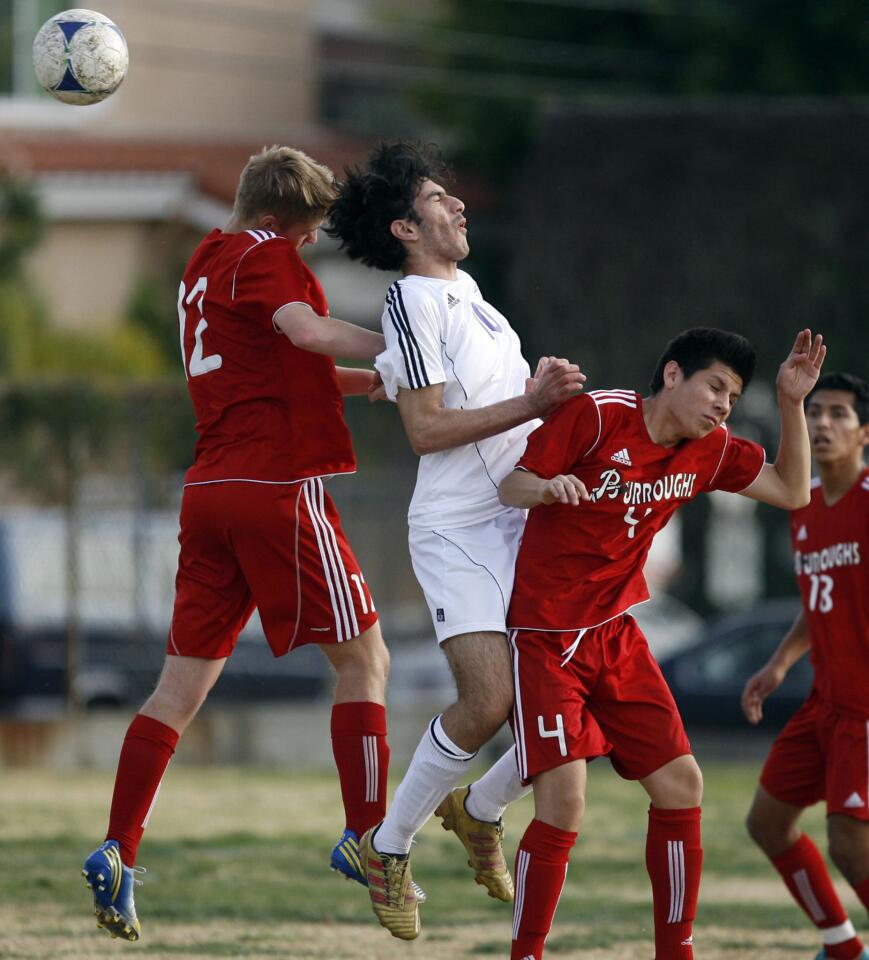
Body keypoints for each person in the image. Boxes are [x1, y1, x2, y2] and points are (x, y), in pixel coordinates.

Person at [81, 146, 393, 941]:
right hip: (275, 489)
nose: (310, 245)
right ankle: (368, 838)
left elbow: (280, 365)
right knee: (364, 660)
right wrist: (409, 343)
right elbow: (308, 329)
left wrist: (384, 384)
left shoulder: (204, 261)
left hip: (210, 491)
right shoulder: (264, 253)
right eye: (307, 231)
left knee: (175, 693)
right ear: (270, 223)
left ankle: (118, 849)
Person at [498, 327, 826, 960]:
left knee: (682, 785)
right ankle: (527, 953)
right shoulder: (596, 416)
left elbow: (791, 490)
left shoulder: (711, 449)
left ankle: (676, 952)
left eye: (732, 396)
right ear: (673, 375)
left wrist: (790, 403)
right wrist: (547, 488)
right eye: (715, 387)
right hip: (544, 635)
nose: (723, 405)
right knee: (564, 804)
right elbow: (512, 485)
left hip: (617, 634)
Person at [328, 141, 585, 940]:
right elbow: (427, 429)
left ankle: (477, 809)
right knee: (489, 702)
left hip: (523, 515)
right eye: (440, 199)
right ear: (405, 226)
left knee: (578, 703)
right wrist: (532, 402)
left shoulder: (470, 291)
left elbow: (502, 415)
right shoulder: (411, 301)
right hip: (460, 530)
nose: (459, 206)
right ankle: (388, 845)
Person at [741, 371, 869, 960]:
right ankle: (842, 946)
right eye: (814, 411)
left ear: (864, 432)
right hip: (825, 703)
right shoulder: (804, 502)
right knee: (767, 823)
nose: (821, 423)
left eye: (839, 414)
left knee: (849, 845)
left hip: (864, 711)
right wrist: (779, 663)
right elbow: (820, 596)